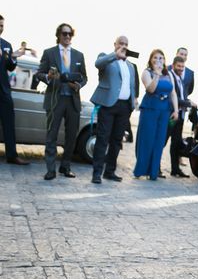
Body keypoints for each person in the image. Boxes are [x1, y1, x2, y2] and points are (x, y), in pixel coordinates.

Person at [36, 23, 87, 179]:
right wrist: (48, 77)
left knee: (72, 136)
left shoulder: (79, 55)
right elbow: (39, 73)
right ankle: (50, 169)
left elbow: (84, 77)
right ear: (58, 35)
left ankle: (65, 166)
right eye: (64, 34)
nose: (67, 37)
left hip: (72, 100)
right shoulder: (49, 53)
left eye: (70, 34)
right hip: (55, 99)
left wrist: (78, 85)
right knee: (51, 135)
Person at [90, 36, 138, 184]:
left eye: (126, 44)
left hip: (124, 107)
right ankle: (97, 173)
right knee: (103, 138)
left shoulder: (130, 65)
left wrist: (134, 99)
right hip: (108, 105)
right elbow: (98, 64)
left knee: (117, 141)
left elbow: (132, 85)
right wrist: (115, 55)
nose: (123, 46)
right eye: (121, 44)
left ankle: (110, 171)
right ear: (115, 45)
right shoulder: (106, 58)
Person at [133, 50, 179, 180]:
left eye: (161, 58)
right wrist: (157, 76)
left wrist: (175, 110)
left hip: (164, 111)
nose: (158, 60)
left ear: (164, 60)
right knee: (147, 139)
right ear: (151, 59)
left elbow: (173, 92)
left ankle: (153, 172)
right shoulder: (146, 72)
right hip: (150, 108)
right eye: (155, 58)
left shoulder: (169, 73)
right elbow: (151, 89)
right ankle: (141, 170)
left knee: (159, 141)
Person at [0, 15, 29, 165]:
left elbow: (10, 67)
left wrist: (14, 57)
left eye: (2, 26)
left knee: (9, 124)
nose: (1, 28)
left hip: (4, 91)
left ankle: (12, 155)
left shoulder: (6, 44)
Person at [167, 55, 196, 178]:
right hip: (171, 115)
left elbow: (184, 95)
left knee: (176, 143)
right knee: (163, 140)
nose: (181, 68)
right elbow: (172, 96)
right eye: (178, 66)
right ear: (173, 65)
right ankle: (155, 167)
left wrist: (188, 101)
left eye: (183, 66)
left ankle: (175, 169)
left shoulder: (180, 78)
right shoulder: (170, 76)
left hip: (181, 115)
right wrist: (189, 103)